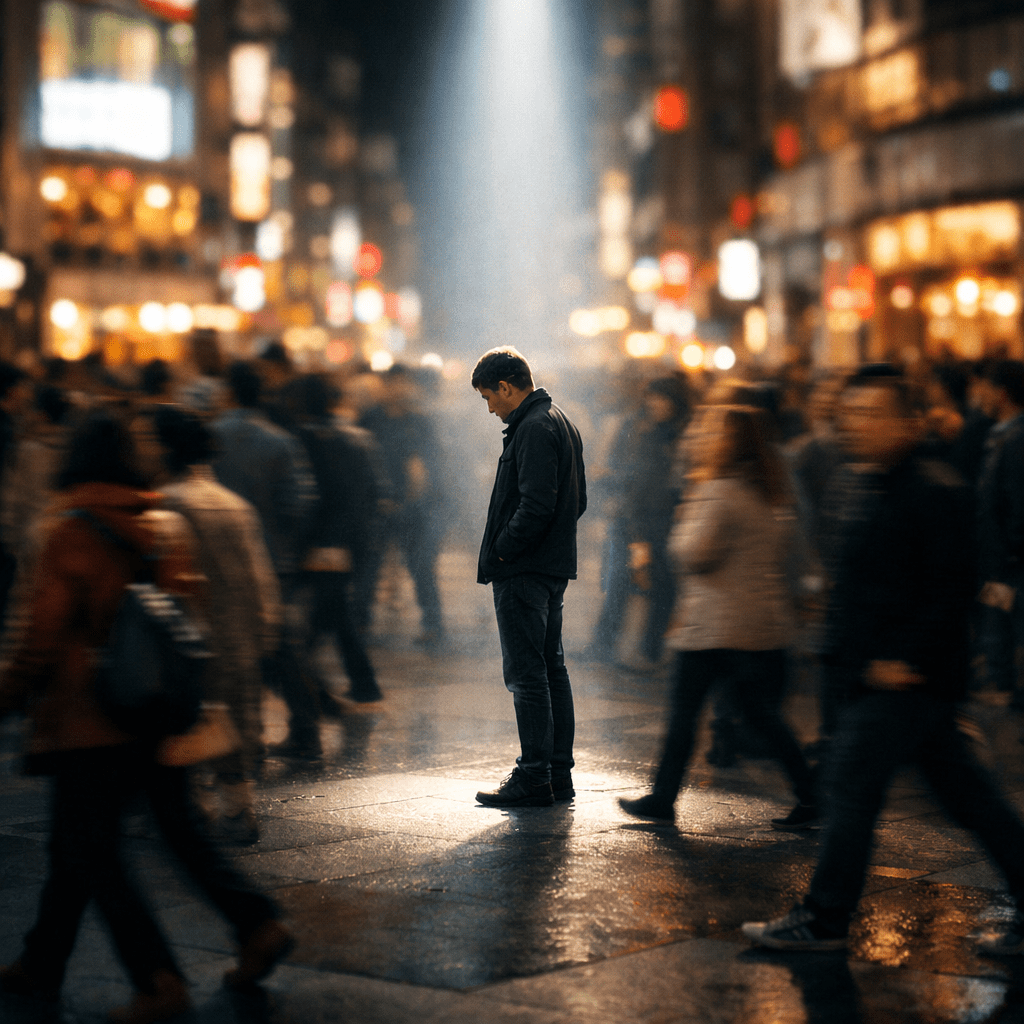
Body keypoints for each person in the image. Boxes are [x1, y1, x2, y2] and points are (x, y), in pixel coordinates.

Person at [0, 412, 292, 1023]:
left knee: (95, 853)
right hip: (159, 711)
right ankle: (255, 924)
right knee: (163, 834)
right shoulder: (162, 525)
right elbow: (185, 610)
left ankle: (157, 980)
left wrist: (11, 690)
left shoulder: (69, 531)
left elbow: (42, 635)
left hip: (88, 721)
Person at [742, 370, 1024, 953]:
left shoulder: (933, 489)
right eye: (851, 412)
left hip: (904, 679)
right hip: (880, 675)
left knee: (850, 788)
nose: (856, 424)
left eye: (871, 413)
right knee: (969, 797)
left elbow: (950, 589)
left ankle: (824, 916)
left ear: (908, 422)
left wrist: (901, 658)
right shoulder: (863, 481)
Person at [617, 404, 817, 828]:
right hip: (758, 625)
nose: (702, 438)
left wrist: (684, 518)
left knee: (685, 715)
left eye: (711, 433)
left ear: (730, 443)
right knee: (763, 717)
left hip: (712, 627)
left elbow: (691, 553)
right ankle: (810, 794)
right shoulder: (770, 491)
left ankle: (663, 798)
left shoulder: (717, 491)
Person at [155, 407, 282, 843]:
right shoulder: (234, 505)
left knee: (183, 725)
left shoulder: (166, 505)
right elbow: (259, 576)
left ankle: (192, 813)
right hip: (237, 637)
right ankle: (238, 810)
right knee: (235, 725)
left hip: (186, 639)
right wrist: (265, 630)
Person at [472, 347, 587, 808]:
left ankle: (535, 775)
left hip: (524, 570)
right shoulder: (559, 421)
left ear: (506, 386)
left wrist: (504, 549)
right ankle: (558, 774)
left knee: (528, 674)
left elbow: (536, 504)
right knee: (551, 669)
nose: (489, 409)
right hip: (550, 567)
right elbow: (576, 501)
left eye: (488, 397)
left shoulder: (534, 427)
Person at [285, 374, 383, 703]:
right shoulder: (356, 438)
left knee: (323, 618)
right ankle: (361, 684)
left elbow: (309, 497)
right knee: (335, 613)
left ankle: (311, 683)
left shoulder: (304, 439)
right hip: (348, 541)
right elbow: (373, 492)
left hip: (319, 543)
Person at [974, 359, 1024, 705]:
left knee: (1004, 621)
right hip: (998, 558)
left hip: (1007, 561)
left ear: (1002, 393)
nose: (980, 394)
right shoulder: (1000, 435)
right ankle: (1003, 685)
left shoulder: (1016, 439)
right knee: (997, 620)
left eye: (986, 387)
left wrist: (1009, 553)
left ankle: (1008, 688)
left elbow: (1016, 503)